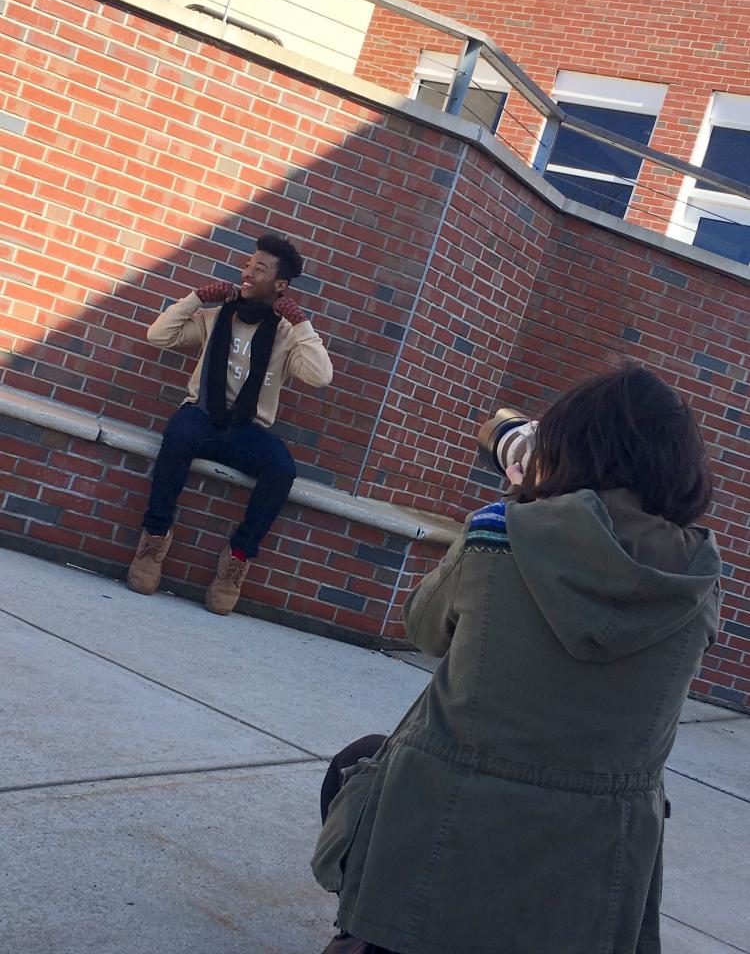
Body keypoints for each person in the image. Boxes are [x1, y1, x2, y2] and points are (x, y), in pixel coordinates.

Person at [312, 366, 721, 954]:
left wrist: (521, 501)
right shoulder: (700, 581)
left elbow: (423, 627)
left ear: (567, 448)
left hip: (450, 831)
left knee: (358, 761)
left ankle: (378, 930)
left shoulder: (498, 534)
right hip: (592, 877)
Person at [127, 233, 333, 615]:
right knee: (177, 436)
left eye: (260, 268)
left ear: (281, 284)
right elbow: (158, 336)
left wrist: (302, 325)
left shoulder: (287, 336)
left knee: (281, 469)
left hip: (246, 428)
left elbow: (320, 376)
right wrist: (195, 299)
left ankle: (237, 560)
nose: (248, 273)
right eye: (247, 265)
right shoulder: (216, 315)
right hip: (202, 413)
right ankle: (154, 540)